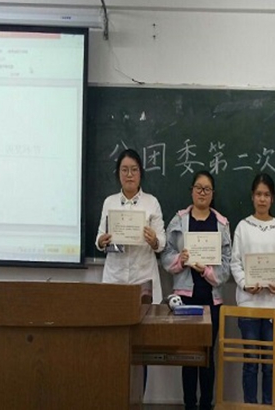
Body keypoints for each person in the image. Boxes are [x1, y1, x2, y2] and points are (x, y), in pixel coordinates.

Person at [95, 148, 166, 395]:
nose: (129, 175)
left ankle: (138, 399)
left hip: (142, 281)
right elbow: (99, 237)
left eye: (134, 170)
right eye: (124, 170)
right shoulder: (109, 202)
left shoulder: (151, 203)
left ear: (140, 174)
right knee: (114, 345)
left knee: (140, 347)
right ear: (118, 174)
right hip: (115, 280)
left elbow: (163, 242)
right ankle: (114, 397)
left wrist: (154, 240)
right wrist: (101, 241)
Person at [160, 170, 231, 410]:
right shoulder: (178, 220)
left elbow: (227, 264)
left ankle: (206, 404)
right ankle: (189, 404)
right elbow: (166, 254)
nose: (202, 192)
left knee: (207, 356)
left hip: (212, 299)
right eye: (198, 188)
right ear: (191, 190)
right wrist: (180, 260)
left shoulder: (221, 223)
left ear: (213, 193)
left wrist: (207, 271)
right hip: (185, 297)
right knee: (188, 355)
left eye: (207, 189)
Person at [230, 173, 275, 405]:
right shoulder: (243, 227)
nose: (262, 199)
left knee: (270, 365)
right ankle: (250, 406)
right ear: (252, 197)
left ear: (272, 198)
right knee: (251, 362)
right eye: (258, 194)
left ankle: (268, 406)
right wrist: (246, 283)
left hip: (274, 306)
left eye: (266, 195)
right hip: (249, 304)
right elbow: (235, 262)